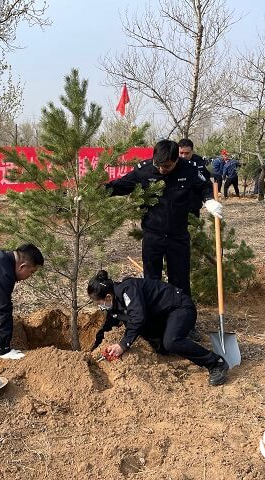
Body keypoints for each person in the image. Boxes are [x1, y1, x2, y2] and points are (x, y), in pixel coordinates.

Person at [107, 140, 222, 297]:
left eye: (167, 166)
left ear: (176, 160)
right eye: (158, 164)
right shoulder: (144, 170)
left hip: (178, 235)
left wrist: (209, 199)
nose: (161, 169)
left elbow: (204, 186)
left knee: (180, 280)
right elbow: (119, 186)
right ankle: (156, 316)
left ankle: (181, 315)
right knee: (152, 280)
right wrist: (93, 193)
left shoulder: (188, 170)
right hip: (152, 235)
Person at [87, 270, 229, 385]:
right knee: (162, 345)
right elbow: (108, 326)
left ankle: (215, 362)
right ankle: (177, 339)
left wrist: (123, 344)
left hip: (180, 307)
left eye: (98, 303)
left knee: (171, 342)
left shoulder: (128, 290)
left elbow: (138, 317)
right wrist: (94, 350)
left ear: (107, 297)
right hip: (163, 316)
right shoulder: (114, 304)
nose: (99, 306)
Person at [178, 138, 210, 213]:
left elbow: (205, 183)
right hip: (177, 205)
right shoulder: (173, 161)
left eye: (187, 153)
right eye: (181, 153)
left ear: (192, 151)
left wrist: (209, 200)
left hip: (193, 204)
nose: (183, 156)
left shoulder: (200, 162)